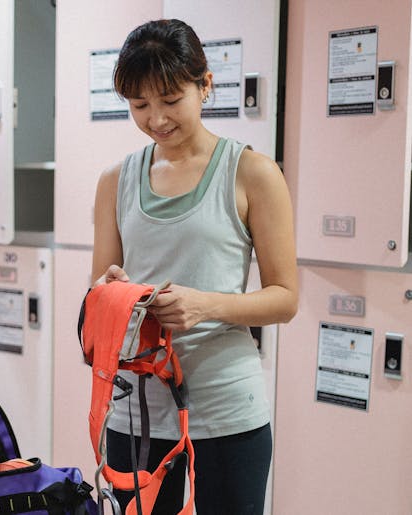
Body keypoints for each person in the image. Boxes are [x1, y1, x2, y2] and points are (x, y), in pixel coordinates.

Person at [91, 19, 298, 515]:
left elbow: (285, 298)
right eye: (139, 105)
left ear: (205, 85)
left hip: (226, 409)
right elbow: (98, 289)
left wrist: (204, 305)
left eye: (169, 100)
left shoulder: (252, 173)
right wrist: (111, 292)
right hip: (135, 411)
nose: (156, 118)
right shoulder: (115, 180)